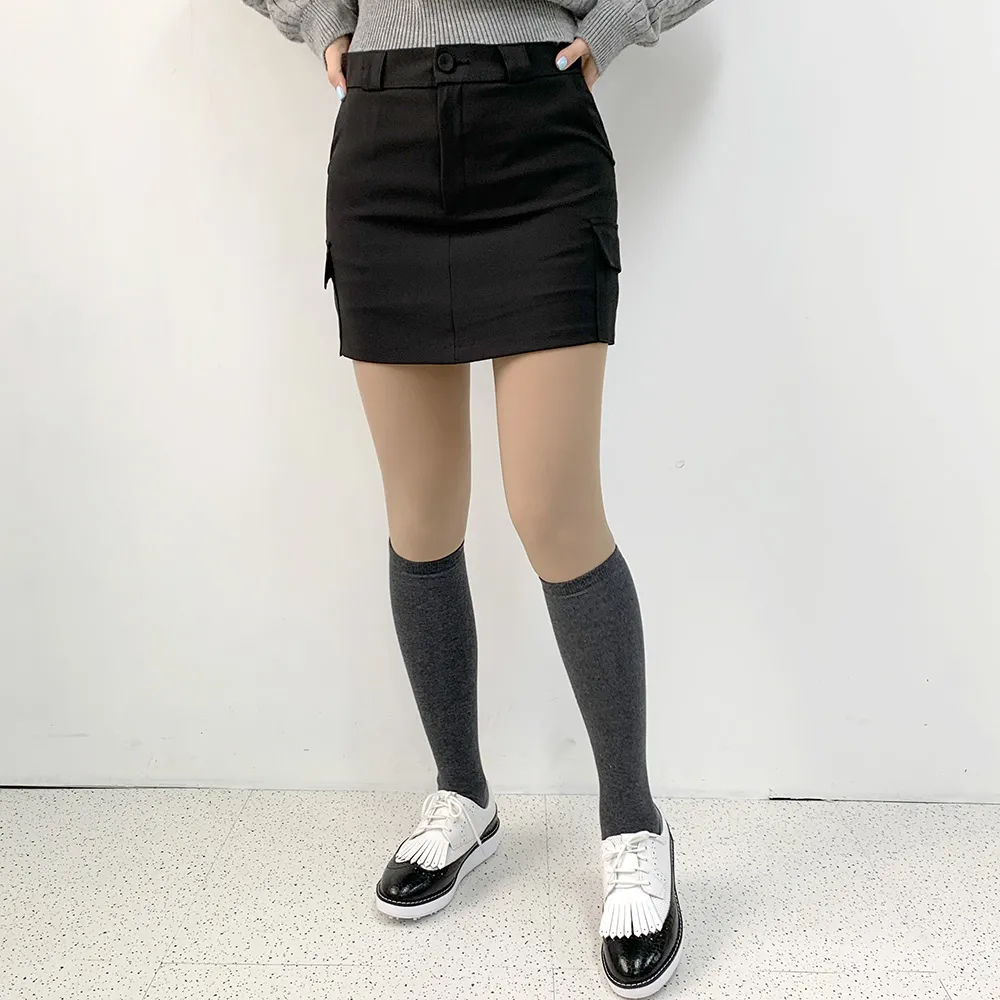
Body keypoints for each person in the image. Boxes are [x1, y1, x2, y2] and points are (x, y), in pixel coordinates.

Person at [242, 1, 714, 995]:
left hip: (536, 134)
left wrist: (623, 21)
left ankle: (633, 821)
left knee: (553, 512)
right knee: (420, 515)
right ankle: (463, 792)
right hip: (383, 143)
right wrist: (321, 17)